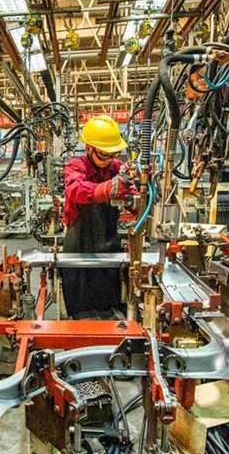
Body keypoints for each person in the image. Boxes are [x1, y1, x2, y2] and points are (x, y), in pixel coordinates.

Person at [61, 115, 137, 318]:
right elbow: (76, 189)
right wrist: (107, 189)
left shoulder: (117, 169)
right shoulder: (75, 166)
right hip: (79, 246)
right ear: (89, 149)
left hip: (108, 242)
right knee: (80, 298)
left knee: (107, 294)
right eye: (104, 155)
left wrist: (135, 199)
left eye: (114, 154)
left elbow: (135, 197)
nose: (109, 159)